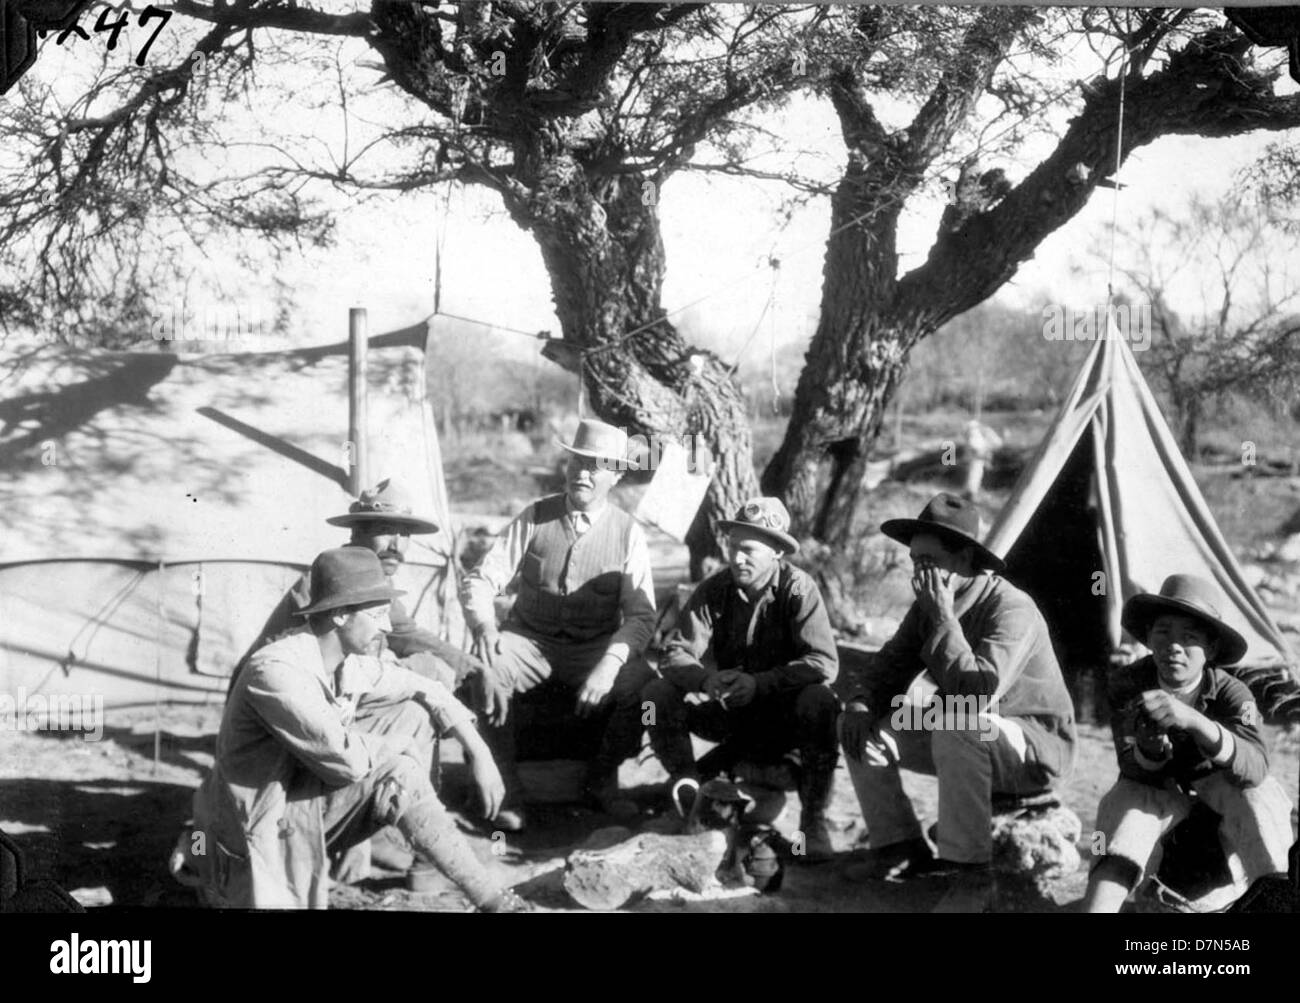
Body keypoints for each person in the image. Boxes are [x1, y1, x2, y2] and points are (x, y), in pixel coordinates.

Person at [186, 548, 528, 911]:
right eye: (377, 614)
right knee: (399, 767)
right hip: (253, 833)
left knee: (410, 729)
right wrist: (399, 745)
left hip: (298, 808)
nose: (387, 626)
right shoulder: (276, 671)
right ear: (339, 615)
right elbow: (343, 758)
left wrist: (480, 753)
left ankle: (491, 900)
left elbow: (426, 687)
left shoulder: (343, 663)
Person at [839, 492, 1076, 912]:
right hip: (966, 734)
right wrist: (860, 702)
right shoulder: (927, 607)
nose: (921, 575)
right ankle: (901, 846)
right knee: (862, 729)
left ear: (966, 560)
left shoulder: (1011, 608)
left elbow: (976, 695)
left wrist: (945, 619)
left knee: (956, 722)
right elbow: (886, 668)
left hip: (1029, 746)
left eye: (930, 563)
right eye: (915, 562)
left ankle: (972, 875)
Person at [460, 419, 657, 832]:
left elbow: (641, 615)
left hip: (592, 649)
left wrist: (609, 664)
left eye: (596, 465)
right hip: (529, 642)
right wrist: (484, 627)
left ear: (616, 475)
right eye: (576, 461)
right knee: (486, 670)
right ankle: (507, 788)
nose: (582, 472)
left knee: (643, 686)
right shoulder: (535, 516)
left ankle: (603, 779)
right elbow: (482, 578)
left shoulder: (628, 532)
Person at [644, 497, 841, 860]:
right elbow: (675, 653)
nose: (737, 558)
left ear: (777, 552)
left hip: (785, 723)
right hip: (730, 713)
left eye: (748, 550)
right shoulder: (714, 589)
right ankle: (685, 784)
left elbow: (822, 663)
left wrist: (761, 683)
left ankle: (813, 822)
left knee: (820, 700)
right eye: (733, 547)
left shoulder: (798, 590)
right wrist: (707, 681)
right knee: (656, 697)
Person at [1084, 574, 1293, 912]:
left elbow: (1256, 766)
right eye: (1163, 633)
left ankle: (1279, 898)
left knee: (1262, 798)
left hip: (1220, 794)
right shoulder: (1129, 683)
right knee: (1118, 806)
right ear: (1149, 637)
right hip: (1157, 792)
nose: (1173, 647)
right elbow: (1129, 763)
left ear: (1210, 649)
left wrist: (1197, 723)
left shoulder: (1232, 693)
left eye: (1189, 637)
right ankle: (1098, 904)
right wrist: (1150, 751)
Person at [234, 478, 483, 694]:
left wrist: (470, 665)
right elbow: (299, 664)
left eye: (405, 534)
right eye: (386, 531)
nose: (396, 546)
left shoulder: (376, 580)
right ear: (356, 534)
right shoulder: (327, 580)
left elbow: (406, 634)